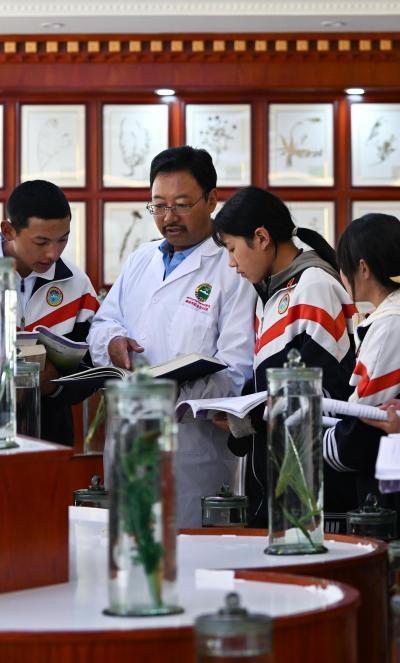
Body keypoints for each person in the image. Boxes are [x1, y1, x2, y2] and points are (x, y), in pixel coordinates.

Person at [87, 146, 256, 528]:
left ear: (211, 200)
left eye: (181, 205)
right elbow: (103, 322)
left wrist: (170, 397)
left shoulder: (231, 267)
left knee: (190, 553)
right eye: (159, 205)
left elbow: (237, 367)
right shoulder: (140, 259)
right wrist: (113, 341)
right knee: (129, 550)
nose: (168, 217)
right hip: (129, 442)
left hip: (192, 451)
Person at [212, 186, 356, 526]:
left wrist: (247, 418)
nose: (231, 263)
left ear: (261, 238)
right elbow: (273, 379)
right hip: (278, 479)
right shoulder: (272, 291)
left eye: (232, 249)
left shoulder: (314, 286)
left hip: (309, 493)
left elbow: (326, 395)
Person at [326, 213, 400, 534]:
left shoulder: (393, 323)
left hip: (394, 494)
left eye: (343, 267)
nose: (342, 277)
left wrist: (307, 441)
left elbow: (361, 419)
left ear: (363, 268)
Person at [0, 180, 99, 445]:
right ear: (8, 231)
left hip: (51, 436)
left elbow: (93, 371)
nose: (53, 253)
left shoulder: (76, 284)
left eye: (63, 240)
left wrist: (52, 383)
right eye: (41, 242)